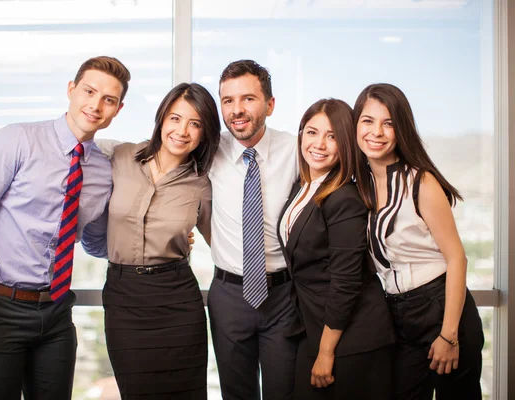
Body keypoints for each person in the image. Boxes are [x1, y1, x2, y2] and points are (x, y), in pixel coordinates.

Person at [0, 56, 130, 400]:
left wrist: (152, 238)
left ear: (118, 109)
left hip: (58, 312)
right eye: (89, 91)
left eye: (109, 99)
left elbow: (95, 242)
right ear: (71, 90)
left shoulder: (103, 171)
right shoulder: (16, 140)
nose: (96, 105)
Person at [81, 82, 220, 399]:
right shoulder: (120, 156)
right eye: (175, 118)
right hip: (123, 298)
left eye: (195, 123)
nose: (182, 131)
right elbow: (75, 147)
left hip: (177, 303)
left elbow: (221, 243)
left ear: (204, 133)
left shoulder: (202, 184)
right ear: (161, 119)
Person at [353, 83, 485, 400]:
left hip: (442, 308)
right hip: (398, 314)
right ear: (355, 124)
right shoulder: (360, 186)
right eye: (368, 121)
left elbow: (457, 259)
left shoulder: (420, 181)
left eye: (389, 123)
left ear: (402, 129)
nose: (377, 132)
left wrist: (449, 336)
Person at [277, 98, 395, 399]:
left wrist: (326, 352)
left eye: (332, 137)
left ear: (346, 144)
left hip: (352, 338)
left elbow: (346, 282)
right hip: (315, 327)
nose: (320, 144)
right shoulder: (302, 188)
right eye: (312, 132)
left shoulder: (344, 198)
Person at [207, 59, 299, 400]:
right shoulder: (209, 150)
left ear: (270, 105)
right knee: (236, 394)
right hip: (228, 295)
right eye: (227, 100)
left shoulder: (296, 150)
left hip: (284, 296)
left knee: (284, 391)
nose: (237, 110)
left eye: (248, 98)